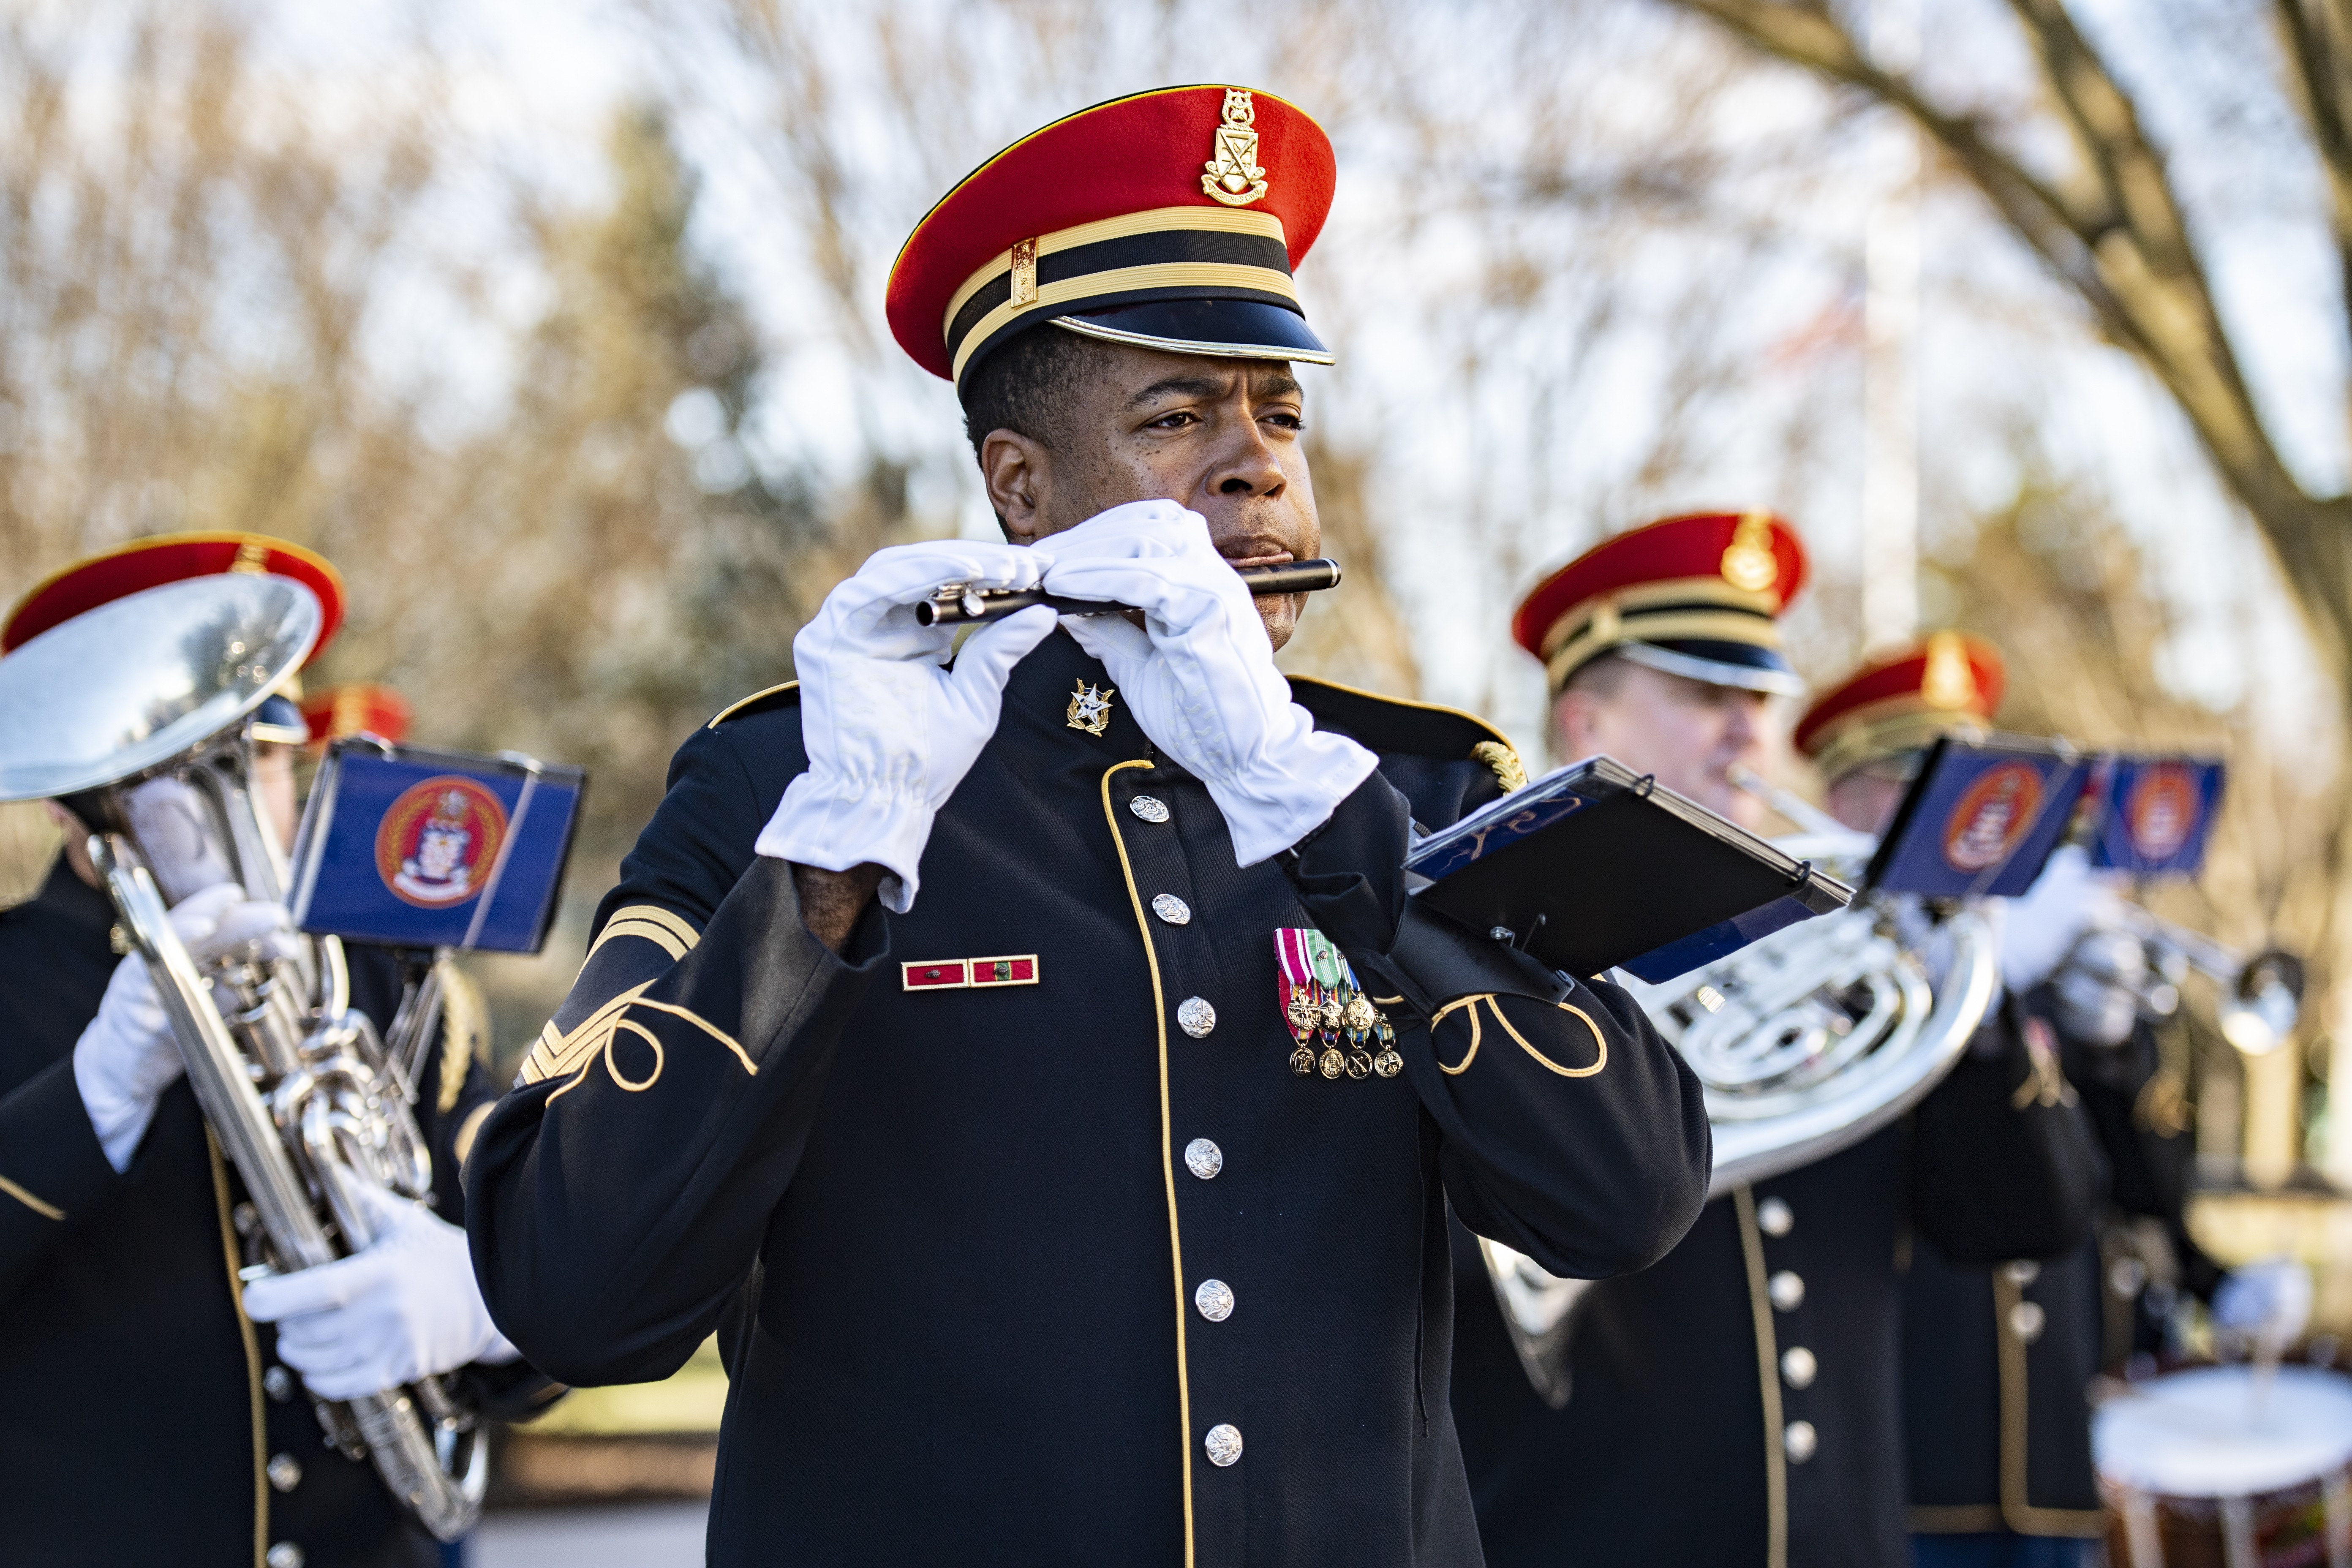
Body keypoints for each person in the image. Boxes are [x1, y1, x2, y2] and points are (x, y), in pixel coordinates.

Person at [466, 84, 1712, 1567]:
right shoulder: (788, 786)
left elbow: (1626, 1197)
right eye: (1175, 417)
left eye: (1280, 414)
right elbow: (573, 1293)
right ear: (1021, 486)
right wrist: (832, 858)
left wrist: (1320, 817)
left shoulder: (1405, 794)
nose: (1257, 463)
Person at [1449, 528, 2104, 1568]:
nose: (1750, 731)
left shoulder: (1839, 956)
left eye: (1758, 698)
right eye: (1707, 693)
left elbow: (2022, 1219)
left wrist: (1977, 999)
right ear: (1586, 718)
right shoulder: (1479, 941)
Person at [0, 535, 550, 1568]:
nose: (238, 796)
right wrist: (91, 1095)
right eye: (171, 762)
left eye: (260, 752)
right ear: (67, 787)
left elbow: (530, 1243)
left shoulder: (385, 977)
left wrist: (485, 1303)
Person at [1796, 635, 2191, 1566]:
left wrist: (2113, 1051)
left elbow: (2143, 1190)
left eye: (1973, 790)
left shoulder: (2035, 966)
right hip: (1909, 1452)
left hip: (2048, 1453)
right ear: (1844, 800)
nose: (1962, 820)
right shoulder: (1820, 981)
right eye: (1921, 784)